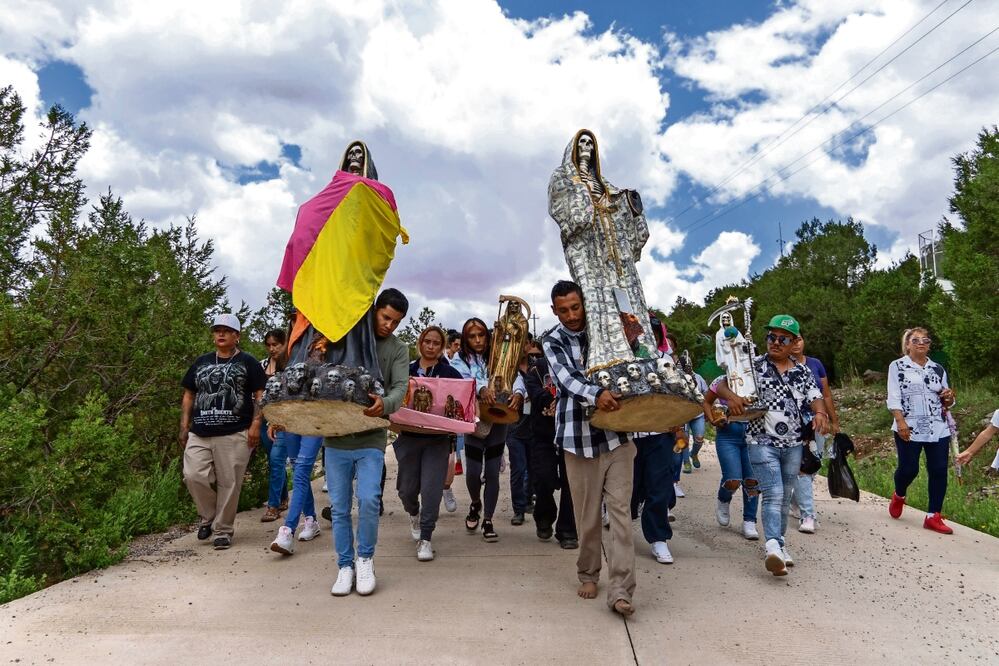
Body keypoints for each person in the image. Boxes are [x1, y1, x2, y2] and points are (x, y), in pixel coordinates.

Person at [543, 280, 636, 617]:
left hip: (618, 436)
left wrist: (632, 339)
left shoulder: (605, 329)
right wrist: (597, 394)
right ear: (554, 310)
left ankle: (622, 589)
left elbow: (631, 365)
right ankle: (588, 573)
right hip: (577, 440)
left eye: (575, 307)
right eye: (563, 310)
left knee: (621, 514)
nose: (570, 315)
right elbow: (566, 379)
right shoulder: (551, 340)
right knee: (588, 517)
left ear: (584, 303)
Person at [717, 314, 827, 576]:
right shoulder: (752, 365)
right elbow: (720, 383)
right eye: (771, 337)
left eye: (783, 339)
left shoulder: (803, 372)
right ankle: (772, 546)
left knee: (786, 494)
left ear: (794, 342)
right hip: (760, 440)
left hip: (793, 443)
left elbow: (816, 397)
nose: (775, 342)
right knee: (774, 493)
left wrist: (821, 414)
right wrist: (731, 398)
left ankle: (780, 544)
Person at [327, 289, 410, 597]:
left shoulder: (399, 349)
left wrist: (385, 404)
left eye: (396, 322)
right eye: (385, 317)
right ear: (374, 310)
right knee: (338, 507)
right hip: (336, 436)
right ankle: (345, 566)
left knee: (369, 500)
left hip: (371, 436)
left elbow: (401, 387)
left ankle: (365, 560)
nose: (389, 325)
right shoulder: (346, 335)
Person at [180, 314, 266, 550]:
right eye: (217, 330)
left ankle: (223, 531)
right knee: (193, 475)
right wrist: (184, 426)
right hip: (200, 431)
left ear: (237, 336)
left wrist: (256, 424)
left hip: (235, 431)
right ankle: (209, 517)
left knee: (230, 483)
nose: (220, 334)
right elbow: (189, 394)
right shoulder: (201, 362)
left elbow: (260, 394)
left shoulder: (249, 362)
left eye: (226, 331)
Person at [450, 317, 525, 542]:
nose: (478, 340)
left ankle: (489, 520)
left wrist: (519, 393)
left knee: (492, 472)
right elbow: (462, 381)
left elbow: (515, 375)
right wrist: (482, 389)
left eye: (481, 334)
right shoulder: (459, 360)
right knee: (473, 473)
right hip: (474, 421)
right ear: (465, 339)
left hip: (499, 421)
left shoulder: (499, 356)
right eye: (472, 336)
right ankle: (475, 503)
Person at [393, 325, 463, 562]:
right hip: (409, 438)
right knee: (406, 490)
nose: (431, 346)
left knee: (432, 490)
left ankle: (426, 538)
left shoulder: (449, 373)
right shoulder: (406, 370)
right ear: (420, 343)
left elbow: (461, 400)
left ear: (441, 346)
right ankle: (413, 512)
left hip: (437, 440)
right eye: (427, 342)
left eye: (436, 343)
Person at [886, 327, 956, 535]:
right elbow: (893, 395)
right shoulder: (897, 366)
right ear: (907, 345)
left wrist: (949, 398)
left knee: (939, 470)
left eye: (925, 340)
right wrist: (900, 421)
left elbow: (947, 400)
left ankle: (933, 515)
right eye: (915, 340)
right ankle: (899, 494)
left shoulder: (937, 368)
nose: (921, 343)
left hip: (938, 427)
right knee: (909, 469)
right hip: (910, 426)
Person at [524, 342, 578, 549]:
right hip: (543, 434)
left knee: (571, 482)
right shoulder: (537, 368)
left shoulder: (574, 365)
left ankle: (567, 530)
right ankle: (544, 515)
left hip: (570, 433)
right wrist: (552, 400)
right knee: (543, 478)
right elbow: (535, 392)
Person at [787, 335, 839, 534]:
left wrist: (833, 420)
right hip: (793, 423)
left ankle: (795, 500)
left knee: (814, 465)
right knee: (803, 468)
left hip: (817, 421)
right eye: (792, 340)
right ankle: (807, 515)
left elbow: (825, 394)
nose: (797, 343)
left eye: (799, 339)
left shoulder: (815, 364)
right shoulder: (782, 365)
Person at [703, 378, 759, 540]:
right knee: (733, 479)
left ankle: (749, 521)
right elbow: (706, 402)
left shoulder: (758, 378)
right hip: (728, 436)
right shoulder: (720, 381)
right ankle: (723, 499)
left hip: (754, 436)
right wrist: (712, 419)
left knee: (752, 480)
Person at [506, 338, 538, 526]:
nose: (520, 347)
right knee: (518, 469)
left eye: (523, 342)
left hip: (536, 426)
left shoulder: (539, 366)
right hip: (515, 427)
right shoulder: (508, 370)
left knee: (534, 469)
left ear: (529, 344)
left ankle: (527, 500)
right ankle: (518, 509)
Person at [260, 329, 290, 522]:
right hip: (264, 418)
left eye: (276, 344)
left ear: (284, 344)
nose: (272, 349)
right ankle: (283, 496)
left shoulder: (290, 365)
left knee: (277, 459)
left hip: (284, 420)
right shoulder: (261, 365)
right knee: (273, 461)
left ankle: (273, 506)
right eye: (269, 345)